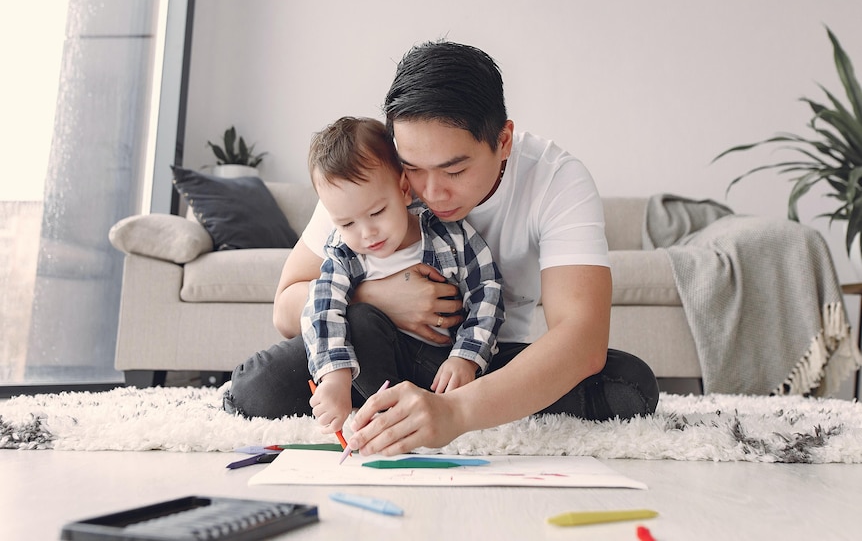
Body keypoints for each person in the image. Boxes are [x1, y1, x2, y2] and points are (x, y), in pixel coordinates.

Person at [224, 40, 659, 455]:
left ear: (503, 141)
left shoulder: (556, 180)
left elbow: (582, 339)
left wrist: (456, 413)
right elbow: (285, 311)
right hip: (370, 343)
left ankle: (420, 407)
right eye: (412, 168)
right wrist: (379, 295)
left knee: (630, 386)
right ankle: (389, 403)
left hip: (475, 360)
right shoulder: (371, 174)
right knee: (256, 389)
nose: (431, 192)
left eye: (454, 170)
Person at [300, 116, 504, 435]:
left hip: (439, 365)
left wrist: (466, 358)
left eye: (377, 212)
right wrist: (334, 376)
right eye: (347, 224)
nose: (367, 233)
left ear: (405, 190)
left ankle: (401, 413)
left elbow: (487, 294)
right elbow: (322, 308)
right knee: (356, 322)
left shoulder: (449, 237)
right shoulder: (345, 253)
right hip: (370, 365)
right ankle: (376, 403)